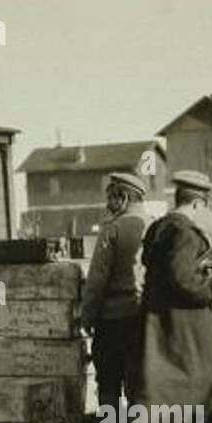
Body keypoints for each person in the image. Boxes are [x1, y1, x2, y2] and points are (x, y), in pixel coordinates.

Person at [135, 170, 212, 413]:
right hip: (183, 327)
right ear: (197, 203)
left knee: (163, 388)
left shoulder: (159, 227)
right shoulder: (185, 233)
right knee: (199, 380)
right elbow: (184, 280)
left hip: (160, 323)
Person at [80, 171, 150, 410]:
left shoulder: (113, 228)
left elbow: (97, 279)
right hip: (143, 317)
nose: (107, 204)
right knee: (138, 382)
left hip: (112, 318)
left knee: (109, 380)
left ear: (123, 198)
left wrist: (87, 316)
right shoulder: (153, 226)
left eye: (110, 197)